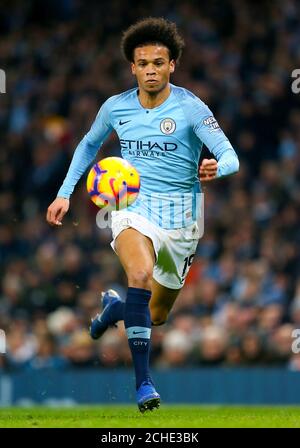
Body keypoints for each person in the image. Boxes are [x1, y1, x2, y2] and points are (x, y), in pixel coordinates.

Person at [46, 17, 239, 412]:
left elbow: (230, 154)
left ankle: (116, 308)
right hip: (132, 206)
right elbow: (87, 146)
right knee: (138, 275)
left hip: (183, 216)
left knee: (156, 314)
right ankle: (144, 384)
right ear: (132, 67)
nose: (151, 70)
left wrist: (218, 168)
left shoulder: (191, 107)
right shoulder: (115, 107)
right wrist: (64, 194)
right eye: (143, 63)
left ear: (172, 65)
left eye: (159, 62)